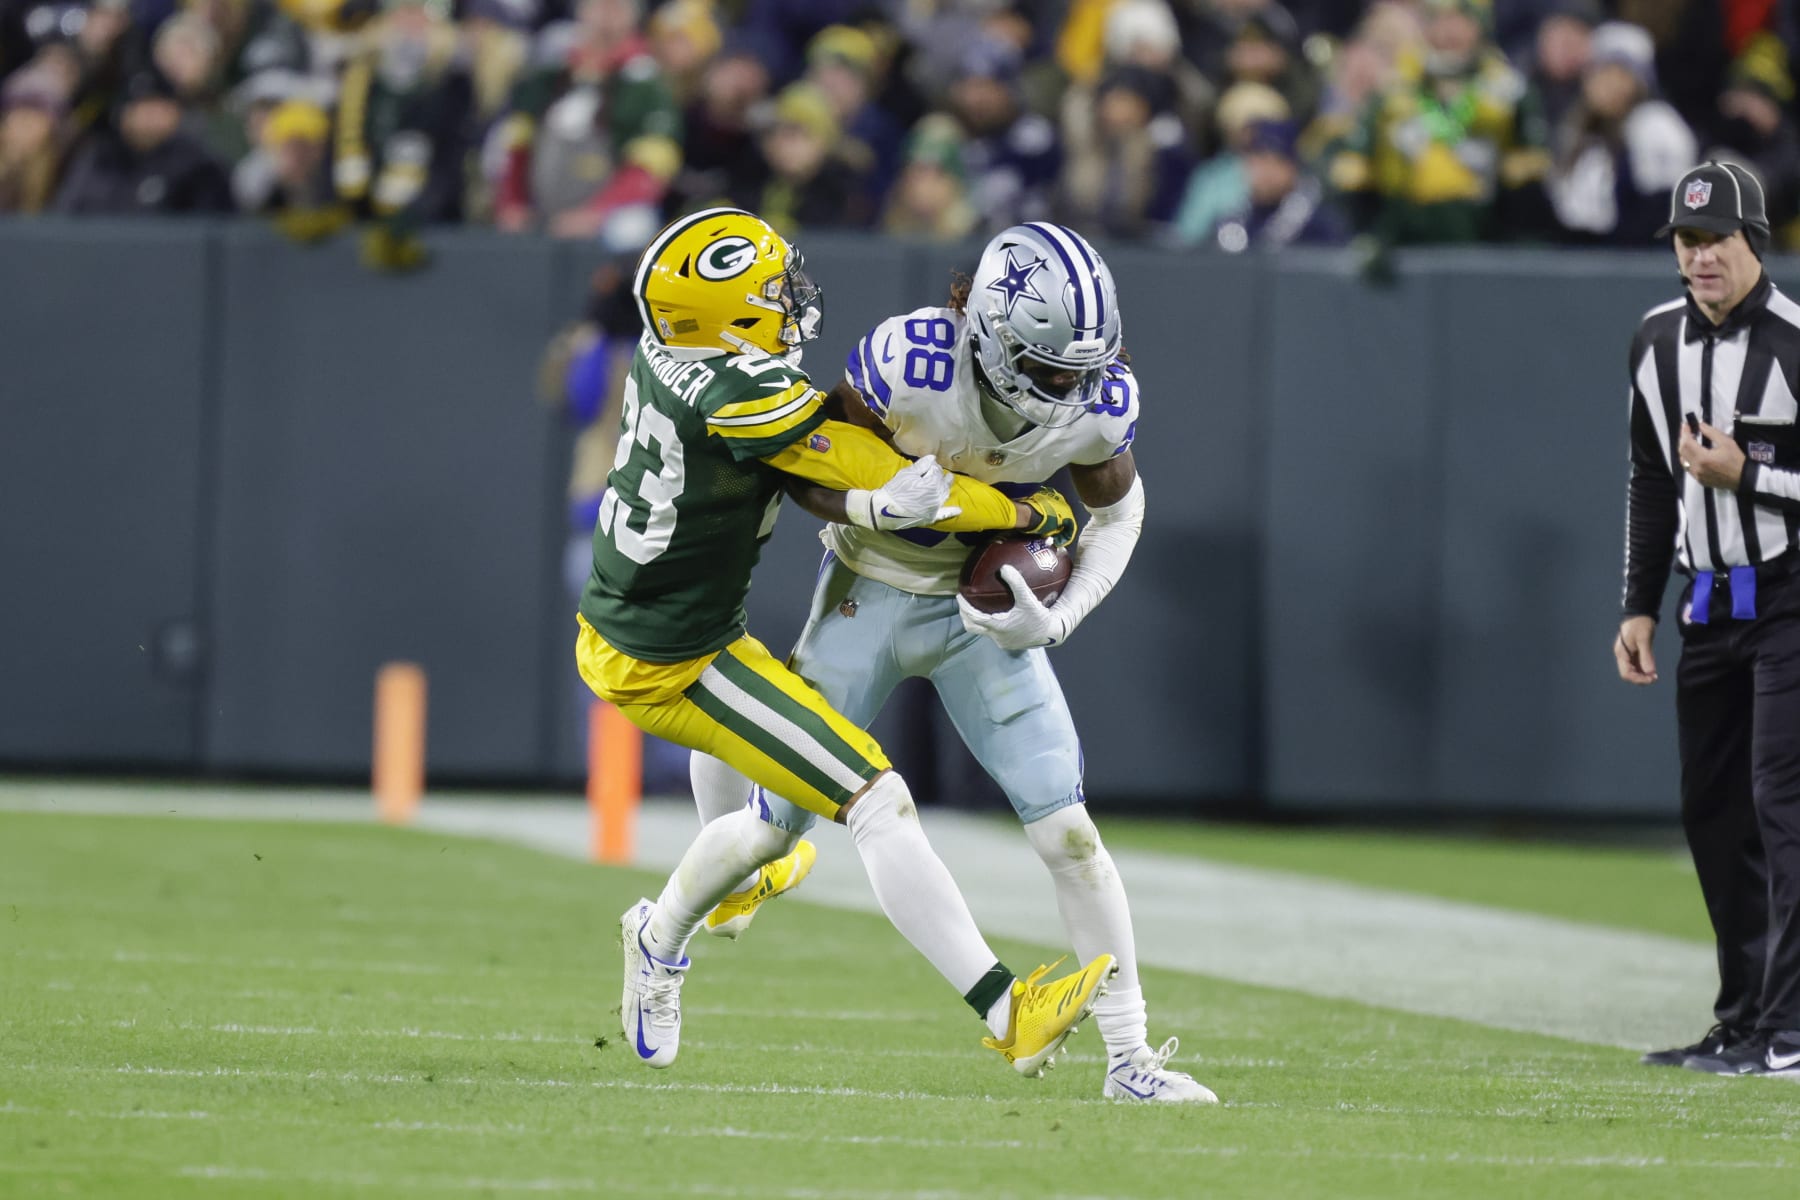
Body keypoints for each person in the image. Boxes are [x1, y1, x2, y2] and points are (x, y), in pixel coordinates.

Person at [684, 222, 1219, 1105]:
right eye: (1051, 369)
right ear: (996, 339)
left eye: (1083, 368)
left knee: (1069, 833)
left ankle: (1130, 1062)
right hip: (872, 587)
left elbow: (1120, 517)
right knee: (771, 827)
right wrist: (872, 502)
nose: (1071, 389)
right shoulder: (911, 361)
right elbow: (805, 463)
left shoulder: (1097, 399)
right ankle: (670, 924)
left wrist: (1060, 617)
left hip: (984, 620)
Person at [585, 207, 1117, 1076]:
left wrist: (879, 504)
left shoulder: (674, 357)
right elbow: (901, 482)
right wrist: (1033, 510)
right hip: (672, 661)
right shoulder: (739, 392)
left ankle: (696, 914)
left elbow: (865, 484)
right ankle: (1007, 1011)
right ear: (726, 315)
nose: (790, 303)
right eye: (769, 293)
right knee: (876, 800)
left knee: (763, 835)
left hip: (676, 631)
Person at [1616, 160, 1800, 1079]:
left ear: (1753, 241)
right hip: (1706, 603)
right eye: (1687, 243)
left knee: (1781, 802)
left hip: (1790, 596)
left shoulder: (1798, 342)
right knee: (1712, 811)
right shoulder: (1654, 342)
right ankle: (1742, 1020)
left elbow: (1739, 479)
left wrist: (1751, 477)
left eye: (1715, 240)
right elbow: (1651, 481)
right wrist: (1637, 606)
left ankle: (1793, 1025)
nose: (1699, 259)